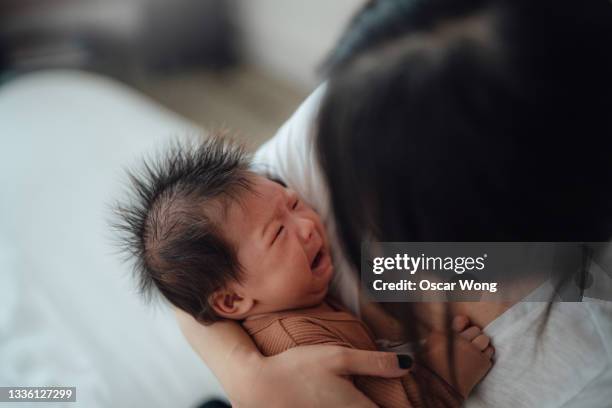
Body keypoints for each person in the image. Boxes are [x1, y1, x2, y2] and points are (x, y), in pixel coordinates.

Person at [178, 0, 612, 406]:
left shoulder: (581, 357)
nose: (320, 205)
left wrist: (438, 379)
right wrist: (246, 375)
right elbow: (191, 249)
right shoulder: (380, 84)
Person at [114, 137, 494, 407]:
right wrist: (445, 374)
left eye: (294, 203)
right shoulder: (296, 340)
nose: (308, 224)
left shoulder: (284, 294)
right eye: (279, 233)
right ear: (232, 299)